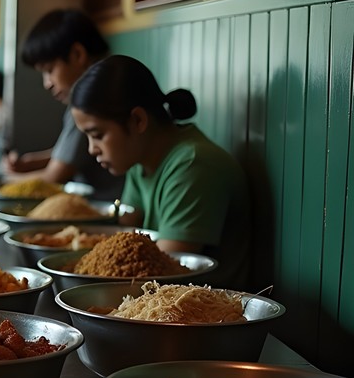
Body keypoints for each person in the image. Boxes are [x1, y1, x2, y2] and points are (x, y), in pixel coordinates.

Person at [69, 54, 251, 289]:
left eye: (98, 135)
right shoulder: (140, 160)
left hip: (201, 311)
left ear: (137, 120)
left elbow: (159, 270)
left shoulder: (193, 164)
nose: (92, 149)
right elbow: (125, 235)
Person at [0, 8, 122, 201]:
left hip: (104, 206)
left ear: (78, 54)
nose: (47, 83)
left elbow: (55, 176)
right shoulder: (99, 88)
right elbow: (73, 154)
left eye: (50, 70)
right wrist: (32, 163)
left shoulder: (94, 99)